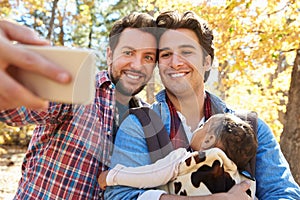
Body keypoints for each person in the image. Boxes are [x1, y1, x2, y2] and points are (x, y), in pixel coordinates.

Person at [104, 11, 300, 200]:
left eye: (186, 51)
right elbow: (120, 196)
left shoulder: (251, 127)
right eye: (165, 55)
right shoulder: (138, 125)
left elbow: (284, 193)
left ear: (207, 61)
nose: (175, 62)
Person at [0, 12, 157, 199]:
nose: (137, 65)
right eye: (128, 52)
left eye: (148, 57)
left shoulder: (147, 118)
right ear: (109, 55)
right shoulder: (77, 87)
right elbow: (15, 110)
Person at [99, 113, 258, 198]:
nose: (198, 127)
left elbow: (151, 175)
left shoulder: (187, 159)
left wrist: (113, 176)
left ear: (208, 140)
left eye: (203, 126)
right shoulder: (243, 182)